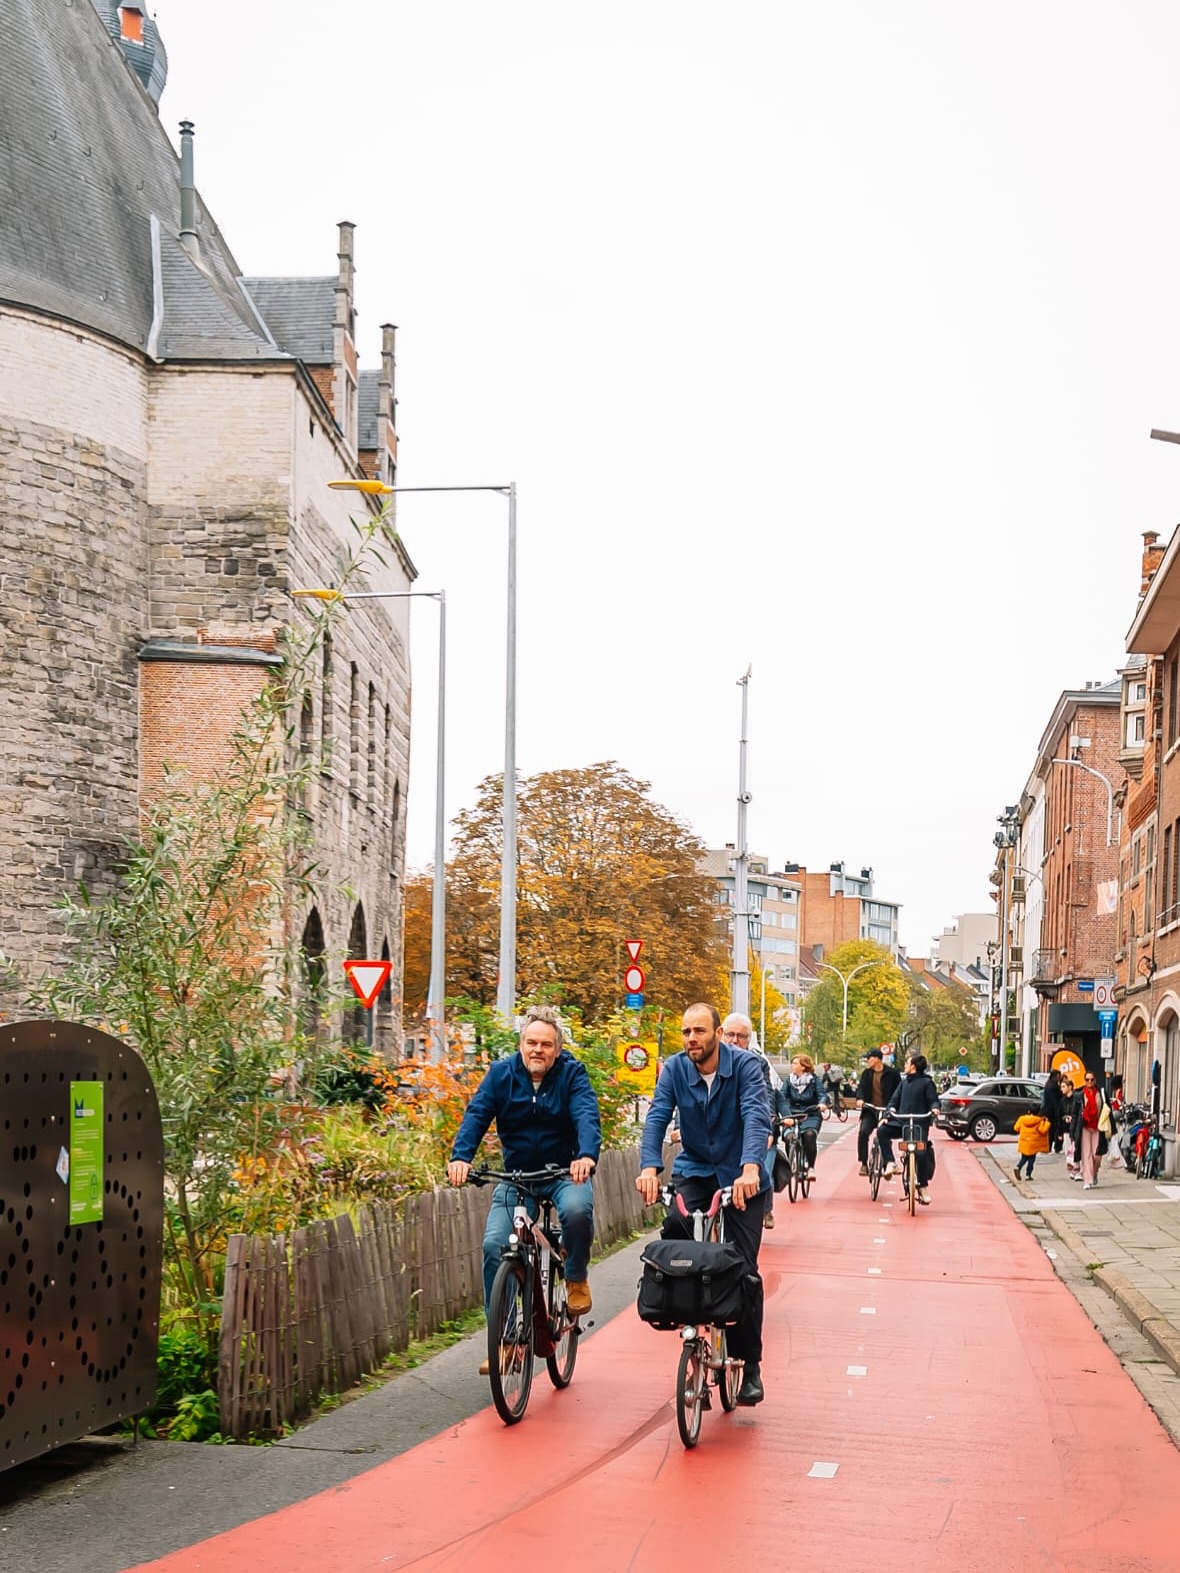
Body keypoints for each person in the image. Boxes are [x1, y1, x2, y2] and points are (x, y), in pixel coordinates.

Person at [447, 1005, 601, 1372]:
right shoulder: (502, 1075)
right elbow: (478, 1113)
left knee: (578, 1211)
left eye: (546, 1044)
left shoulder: (572, 1074)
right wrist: (460, 1157)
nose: (538, 1050)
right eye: (531, 1042)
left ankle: (576, 1275)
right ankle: (502, 1339)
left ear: (557, 1050)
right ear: (521, 1045)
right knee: (492, 1245)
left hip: (565, 1171)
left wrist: (585, 1156)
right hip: (517, 1176)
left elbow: (586, 1115)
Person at [637, 1002, 772, 1406]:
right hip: (695, 1170)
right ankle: (693, 1336)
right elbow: (658, 1115)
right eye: (685, 1032)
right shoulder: (675, 1069)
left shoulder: (745, 1067)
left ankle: (749, 1365)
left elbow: (755, 1115)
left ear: (716, 1033)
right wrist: (649, 1167)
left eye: (699, 1031)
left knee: (744, 1271)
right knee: (677, 1239)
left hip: (739, 1172)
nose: (691, 1039)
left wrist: (750, 1168)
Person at [721, 1012, 780, 1229]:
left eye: (741, 1036)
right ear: (720, 1035)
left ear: (749, 1040)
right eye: (730, 1035)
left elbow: (765, 1096)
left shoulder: (757, 1063)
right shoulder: (707, 1059)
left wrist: (769, 1128)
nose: (734, 1040)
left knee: (758, 1168)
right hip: (715, 1131)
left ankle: (764, 1209)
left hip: (746, 1127)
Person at [878, 1052, 940, 1204]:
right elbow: (894, 1100)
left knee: (921, 1153)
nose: (904, 1065)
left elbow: (934, 1100)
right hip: (901, 1122)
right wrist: (888, 1113)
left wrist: (935, 1108)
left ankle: (923, 1187)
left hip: (919, 1124)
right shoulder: (904, 1083)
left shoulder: (927, 1083)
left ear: (913, 1066)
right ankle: (890, 1162)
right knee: (882, 1131)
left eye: (906, 1063)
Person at [854, 1046, 901, 1176]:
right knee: (863, 1132)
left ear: (876, 1059)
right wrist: (860, 1099)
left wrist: (894, 1107)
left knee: (884, 1133)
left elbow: (899, 1091)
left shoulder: (892, 1073)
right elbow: (861, 1089)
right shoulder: (866, 1073)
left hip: (887, 1111)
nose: (867, 1061)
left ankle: (888, 1163)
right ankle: (863, 1163)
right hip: (870, 1110)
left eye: (868, 1058)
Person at [777, 1052, 824, 1180]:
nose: (792, 1065)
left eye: (795, 1063)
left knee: (809, 1135)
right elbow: (781, 1096)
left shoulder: (814, 1081)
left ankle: (811, 1168)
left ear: (803, 1066)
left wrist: (822, 1104)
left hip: (811, 1114)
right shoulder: (789, 1080)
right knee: (789, 1137)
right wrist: (783, 1111)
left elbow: (822, 1095)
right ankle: (793, 1162)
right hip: (792, 1114)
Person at [1070, 1070, 1110, 1190]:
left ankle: (1094, 1173)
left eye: (1091, 1080)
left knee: (1097, 1155)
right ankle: (1087, 1180)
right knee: (1086, 1154)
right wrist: (1072, 1131)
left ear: (1095, 1081)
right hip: (1085, 1127)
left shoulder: (1101, 1094)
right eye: (1087, 1080)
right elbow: (1075, 1114)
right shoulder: (1080, 1095)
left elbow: (1108, 1110)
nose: (1089, 1082)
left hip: (1098, 1127)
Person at [1013, 1110, 1051, 1182]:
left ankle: (1018, 1167)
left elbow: (1016, 1128)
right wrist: (1047, 1123)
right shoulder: (1040, 1121)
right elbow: (1043, 1130)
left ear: (1029, 1111)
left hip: (1024, 1142)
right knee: (1031, 1160)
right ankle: (1028, 1175)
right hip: (1033, 1144)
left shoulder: (1022, 1119)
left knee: (1024, 1157)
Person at [1039, 1068, 1065, 1155]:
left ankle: (1048, 1147)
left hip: (1047, 1110)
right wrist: (1058, 1111)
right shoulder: (1053, 1086)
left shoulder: (1048, 1084)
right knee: (1053, 1129)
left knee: (1050, 1129)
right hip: (1052, 1111)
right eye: (1058, 1076)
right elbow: (1055, 1100)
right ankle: (1053, 1147)